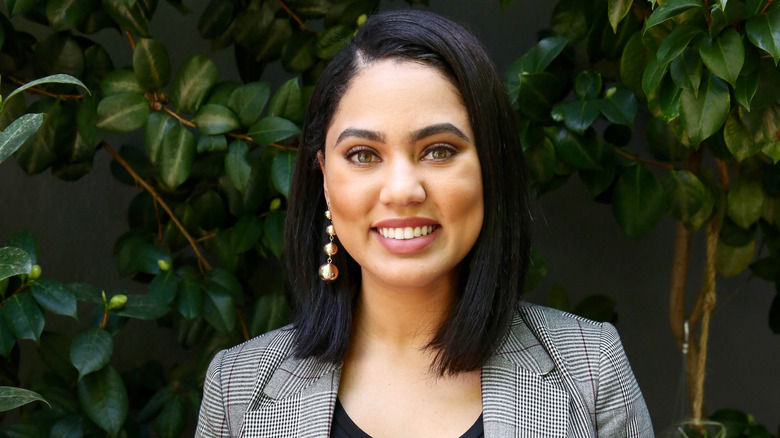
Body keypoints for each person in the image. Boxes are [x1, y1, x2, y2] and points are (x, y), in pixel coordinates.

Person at [196, 9, 653, 438]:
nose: (402, 190)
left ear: (491, 168)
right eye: (363, 155)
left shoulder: (590, 369)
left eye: (438, 151)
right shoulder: (238, 388)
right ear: (326, 182)